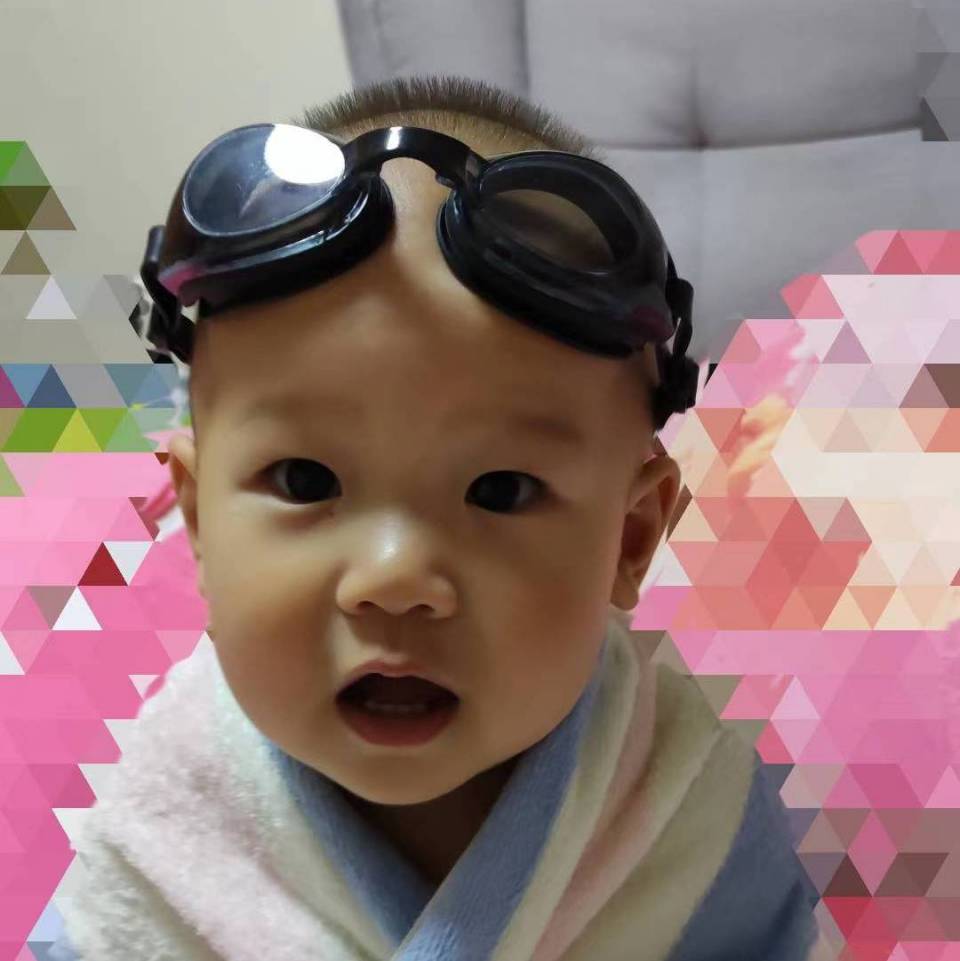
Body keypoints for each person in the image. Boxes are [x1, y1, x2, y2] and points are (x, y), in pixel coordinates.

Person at [51, 74, 825, 961]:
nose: (395, 578)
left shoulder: (693, 801)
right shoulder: (151, 830)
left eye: (500, 491)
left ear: (631, 536)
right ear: (198, 521)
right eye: (304, 479)